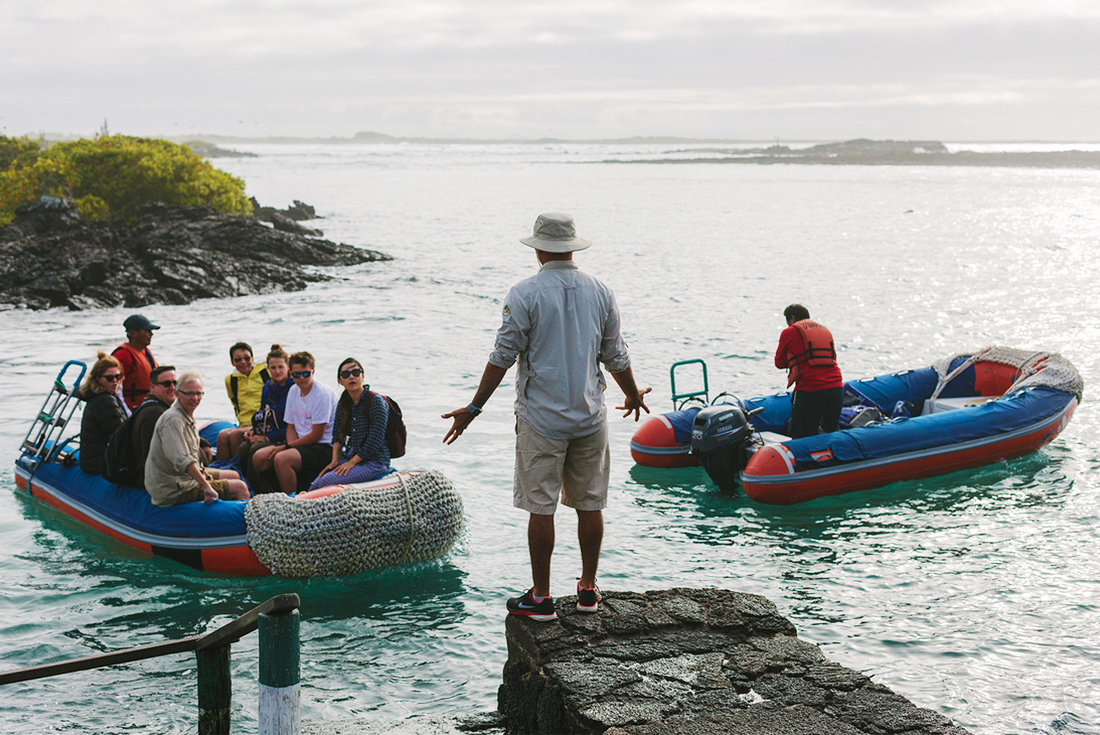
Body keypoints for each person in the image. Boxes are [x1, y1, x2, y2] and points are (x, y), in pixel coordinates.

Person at [442, 212, 651, 621]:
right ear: (573, 247)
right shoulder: (601, 291)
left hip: (541, 419)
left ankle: (540, 598)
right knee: (591, 504)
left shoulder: (524, 294)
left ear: (539, 249)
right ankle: (588, 591)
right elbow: (615, 355)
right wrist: (631, 394)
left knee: (542, 508)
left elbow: (501, 358)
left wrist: (473, 408)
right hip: (590, 416)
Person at [144, 371, 250, 506]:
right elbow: (183, 461)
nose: (195, 398)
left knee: (233, 475)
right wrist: (207, 486)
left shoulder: (186, 415)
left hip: (184, 480)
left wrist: (205, 474)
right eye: (189, 393)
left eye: (198, 393)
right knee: (240, 487)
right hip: (174, 489)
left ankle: (223, 513)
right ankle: (243, 524)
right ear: (177, 394)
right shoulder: (173, 420)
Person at [250, 351, 337, 494]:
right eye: (296, 375)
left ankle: (291, 500)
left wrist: (287, 447)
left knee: (282, 459)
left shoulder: (322, 394)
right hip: (302, 443)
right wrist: (289, 447)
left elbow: (317, 435)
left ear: (313, 372)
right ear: (291, 374)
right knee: (259, 457)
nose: (301, 378)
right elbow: (291, 427)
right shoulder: (293, 391)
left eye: (306, 373)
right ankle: (269, 493)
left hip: (324, 446)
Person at [307, 357, 391, 491]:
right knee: (315, 484)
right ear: (340, 381)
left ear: (362, 376)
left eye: (356, 373)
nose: (351, 377)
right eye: (346, 374)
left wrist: (352, 463)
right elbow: (337, 435)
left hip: (374, 461)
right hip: (351, 456)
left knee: (327, 482)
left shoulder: (376, 401)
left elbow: (375, 440)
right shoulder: (345, 402)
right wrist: (334, 460)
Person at [774, 303, 844, 439]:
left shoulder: (789, 332)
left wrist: (792, 359)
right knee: (831, 433)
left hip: (810, 390)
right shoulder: (825, 330)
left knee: (802, 437)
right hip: (836, 388)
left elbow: (779, 363)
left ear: (792, 318)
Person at [237, 344, 293, 489]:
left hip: (286, 434)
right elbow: (263, 414)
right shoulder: (267, 387)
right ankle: (247, 485)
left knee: (256, 449)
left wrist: (268, 438)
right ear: (268, 368)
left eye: (281, 367)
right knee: (244, 448)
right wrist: (255, 431)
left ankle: (261, 491)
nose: (277, 371)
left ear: (288, 367)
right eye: (273, 368)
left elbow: (293, 425)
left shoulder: (293, 388)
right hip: (269, 430)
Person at [216, 342, 270, 460]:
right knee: (222, 436)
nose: (243, 362)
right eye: (238, 359)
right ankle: (221, 469)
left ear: (252, 358)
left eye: (246, 358)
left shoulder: (265, 373)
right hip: (244, 423)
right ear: (232, 362)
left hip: (263, 421)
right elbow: (235, 403)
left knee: (235, 435)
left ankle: (238, 468)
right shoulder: (230, 380)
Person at [78, 352, 128, 477]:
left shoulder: (104, 397)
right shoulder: (105, 401)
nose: (115, 381)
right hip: (97, 462)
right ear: (98, 379)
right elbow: (120, 436)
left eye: (118, 376)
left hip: (93, 458)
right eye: (110, 378)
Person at [128, 365, 178, 489]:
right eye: (166, 384)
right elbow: (154, 459)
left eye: (175, 383)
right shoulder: (154, 415)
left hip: (162, 477)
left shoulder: (157, 408)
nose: (172, 387)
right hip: (157, 483)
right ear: (153, 387)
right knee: (232, 480)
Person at [112, 314, 160, 412]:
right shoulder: (123, 355)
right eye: (147, 331)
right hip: (131, 411)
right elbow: (112, 386)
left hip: (148, 408)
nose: (151, 334)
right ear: (133, 333)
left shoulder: (146, 352)